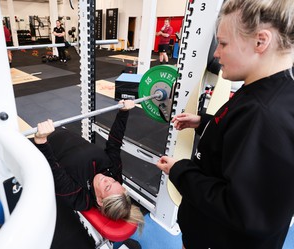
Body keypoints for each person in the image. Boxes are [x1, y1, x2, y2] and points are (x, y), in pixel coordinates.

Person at [156, 0, 294, 248]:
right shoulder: (266, 92)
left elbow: (242, 212)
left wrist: (179, 170)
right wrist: (204, 123)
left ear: (260, 41)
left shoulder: (265, 114)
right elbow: (240, 135)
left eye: (223, 43)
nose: (217, 53)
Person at [33, 99, 144, 230]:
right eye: (114, 182)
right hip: (64, 132)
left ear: (100, 200)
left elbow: (52, 168)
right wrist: (123, 113)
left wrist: (41, 140)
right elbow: (115, 143)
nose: (108, 179)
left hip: (44, 143)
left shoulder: (80, 198)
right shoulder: (114, 173)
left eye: (107, 187)